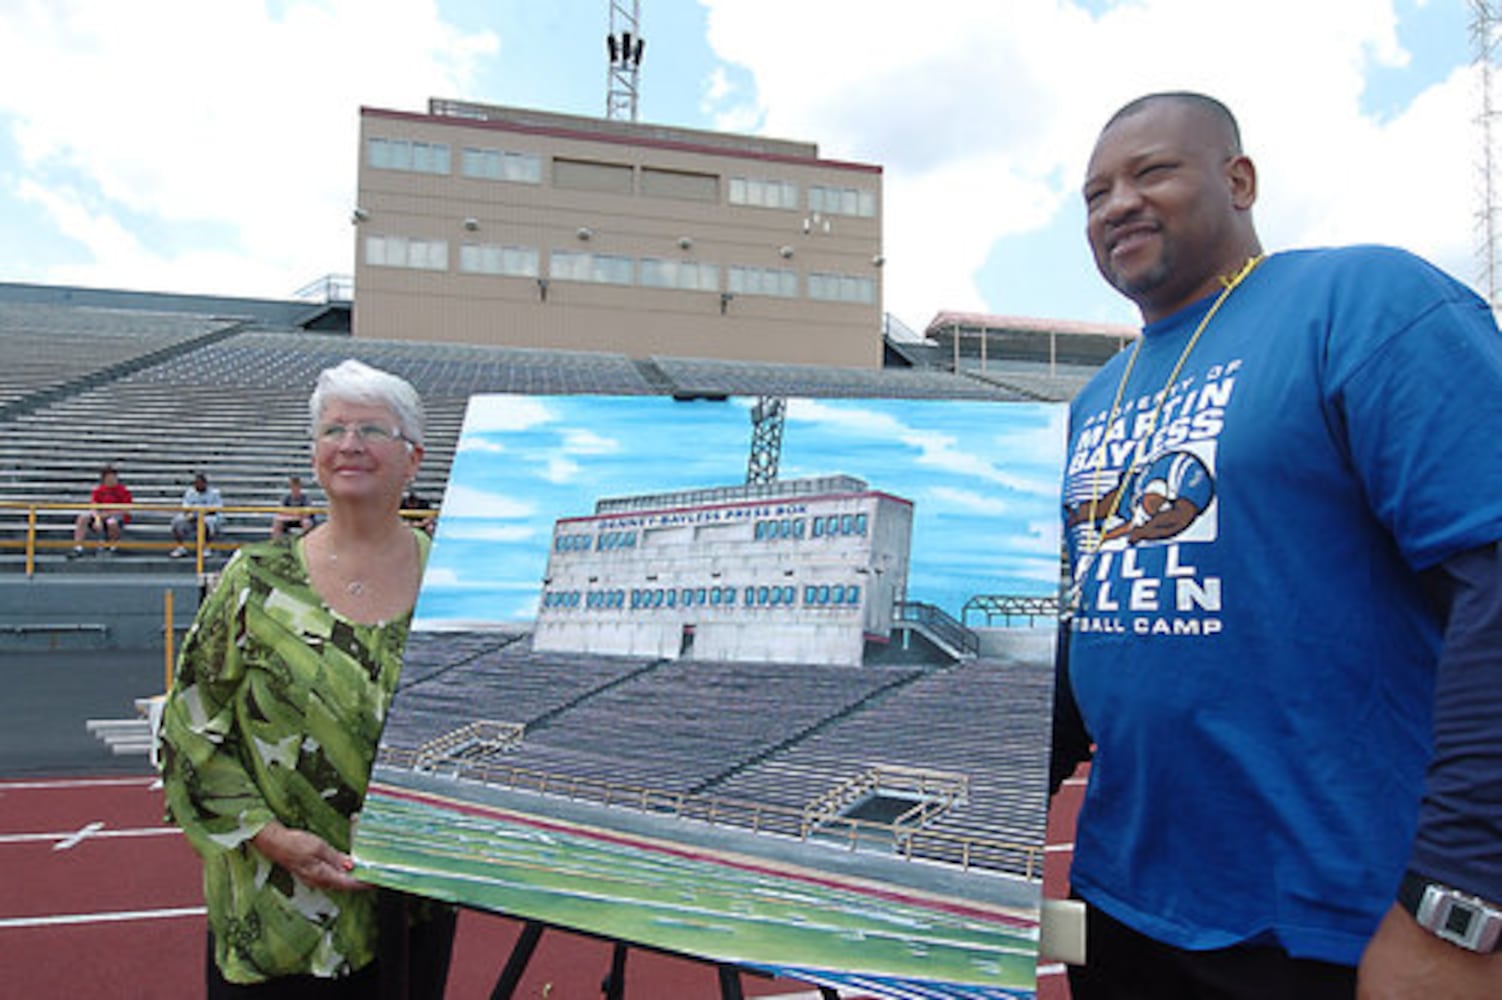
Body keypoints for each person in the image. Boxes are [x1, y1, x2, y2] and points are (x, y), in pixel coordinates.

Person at [1054, 91, 1502, 998]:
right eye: (1094, 194)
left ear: (1239, 179)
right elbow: (1091, 625)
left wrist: (1462, 898)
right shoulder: (1095, 398)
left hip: (1338, 921)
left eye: (1152, 172)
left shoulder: (1367, 300)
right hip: (1123, 903)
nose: (1116, 205)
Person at [159, 359, 454, 996]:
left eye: (373, 430)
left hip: (406, 911)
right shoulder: (253, 580)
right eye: (333, 430)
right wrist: (271, 837)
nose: (349, 445)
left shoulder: (455, 582)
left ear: (413, 459)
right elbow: (189, 734)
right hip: (272, 914)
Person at [70, 464, 133, 557]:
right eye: (109, 478)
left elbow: (126, 510)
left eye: (113, 478)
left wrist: (105, 515)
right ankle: (77, 547)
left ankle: (112, 547)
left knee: (112, 522)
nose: (111, 480)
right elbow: (93, 506)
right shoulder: (99, 491)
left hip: (115, 517)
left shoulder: (123, 491)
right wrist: (97, 519)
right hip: (101, 516)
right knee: (83, 517)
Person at [170, 471, 225, 558]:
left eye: (200, 483)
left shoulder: (214, 493)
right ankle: (180, 547)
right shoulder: (190, 493)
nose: (198, 485)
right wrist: (190, 514)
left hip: (208, 516)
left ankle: (206, 547)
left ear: (205, 483)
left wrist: (202, 514)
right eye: (196, 483)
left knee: (208, 522)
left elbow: (217, 508)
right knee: (177, 521)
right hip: (193, 517)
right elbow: (185, 507)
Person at [270, 474, 319, 540]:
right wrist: (294, 514)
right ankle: (276, 542)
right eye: (293, 486)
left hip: (300, 520)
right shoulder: (287, 498)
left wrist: (294, 514)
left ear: (299, 487)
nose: (294, 488)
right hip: (290, 519)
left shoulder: (305, 498)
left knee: (306, 522)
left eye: (296, 486)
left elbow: (307, 513)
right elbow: (281, 511)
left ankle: (305, 542)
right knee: (277, 521)